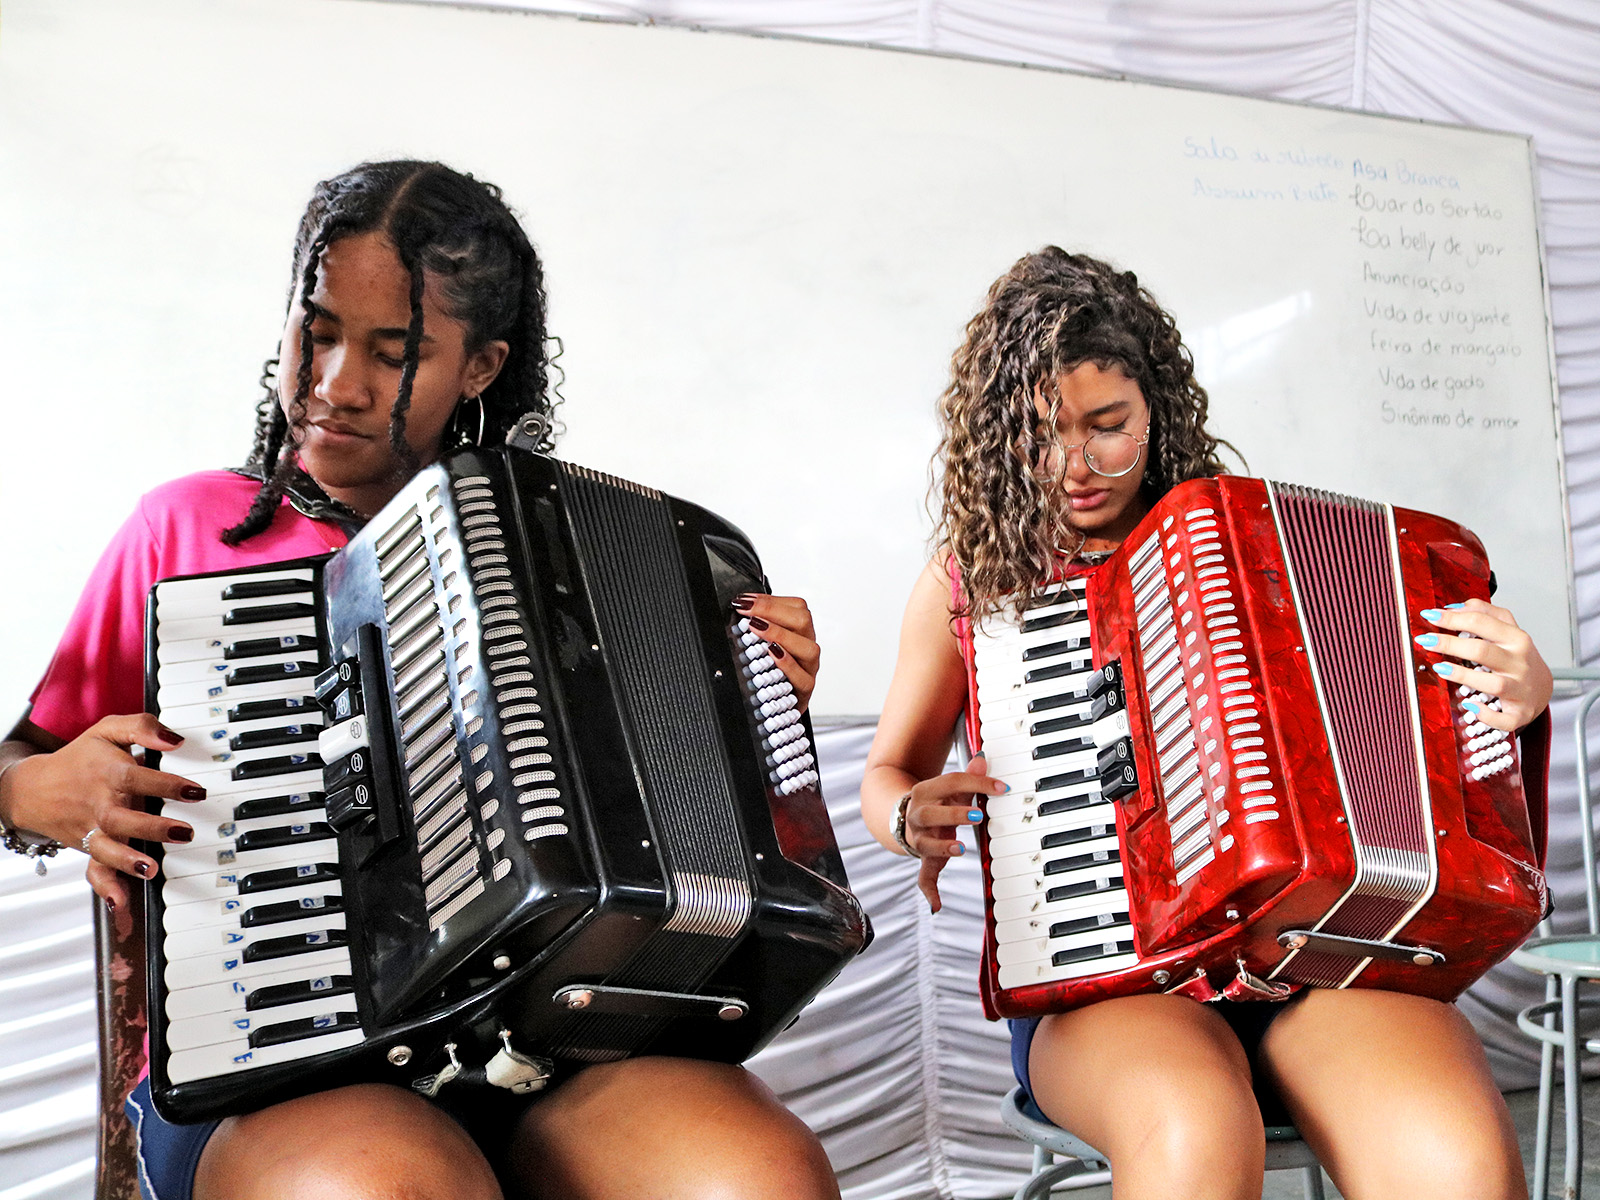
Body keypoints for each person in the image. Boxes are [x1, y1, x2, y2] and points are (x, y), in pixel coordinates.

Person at [0, 161, 835, 1200]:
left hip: (547, 1043)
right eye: (315, 332)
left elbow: (674, 824)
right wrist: (32, 791)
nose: (336, 382)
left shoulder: (569, 556)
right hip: (274, 1052)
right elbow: (25, 763)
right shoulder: (186, 530)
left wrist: (752, 705)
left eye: (394, 354)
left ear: (480, 366)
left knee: (755, 1176)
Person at [860, 247, 1552, 1200]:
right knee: (1194, 1127)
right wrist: (909, 816)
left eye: (1109, 426)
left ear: (1156, 409)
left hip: (1313, 951)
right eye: (1039, 435)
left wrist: (1516, 691)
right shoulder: (970, 584)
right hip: (1108, 980)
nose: (1075, 466)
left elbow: (1422, 722)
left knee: (1453, 1156)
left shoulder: (1259, 549)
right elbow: (888, 774)